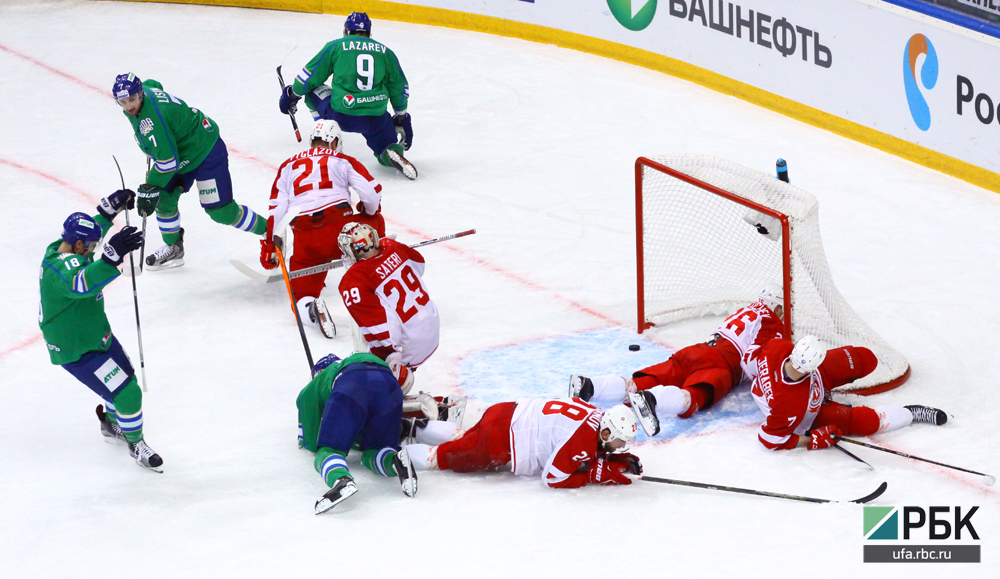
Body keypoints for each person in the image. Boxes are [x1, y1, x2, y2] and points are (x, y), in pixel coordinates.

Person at [39, 192, 163, 471]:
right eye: (92, 246)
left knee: (124, 380)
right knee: (128, 393)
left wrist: (107, 213)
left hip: (96, 335)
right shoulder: (60, 269)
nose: (94, 250)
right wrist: (111, 257)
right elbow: (81, 283)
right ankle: (136, 443)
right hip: (76, 348)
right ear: (78, 244)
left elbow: (87, 237)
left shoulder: (63, 247)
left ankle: (111, 423)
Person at [571, 284, 785, 436]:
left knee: (639, 383)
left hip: (695, 351)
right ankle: (652, 400)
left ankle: (590, 386)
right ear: (776, 307)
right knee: (693, 398)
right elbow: (751, 361)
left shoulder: (745, 309)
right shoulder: (772, 321)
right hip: (719, 364)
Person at [112, 72, 267, 270]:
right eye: (122, 102)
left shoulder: (152, 122)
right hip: (181, 152)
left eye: (132, 99)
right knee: (164, 198)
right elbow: (155, 83)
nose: (128, 107)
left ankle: (268, 229)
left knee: (220, 211)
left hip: (205, 149)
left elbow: (168, 163)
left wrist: (149, 186)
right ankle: (174, 247)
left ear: (140, 93)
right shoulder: (146, 92)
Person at [260, 119, 386, 339]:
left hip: (305, 236)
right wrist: (368, 211)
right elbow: (371, 193)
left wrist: (272, 244)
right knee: (374, 219)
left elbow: (276, 208)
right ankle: (378, 271)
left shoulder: (288, 165)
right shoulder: (342, 159)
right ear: (335, 142)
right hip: (341, 229)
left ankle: (310, 308)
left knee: (301, 295)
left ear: (312, 142)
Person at [279, 12, 417, 180]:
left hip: (341, 115)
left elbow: (309, 77)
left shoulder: (336, 46)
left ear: (346, 30)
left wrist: (292, 94)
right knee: (385, 143)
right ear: (369, 32)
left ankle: (326, 136)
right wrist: (401, 116)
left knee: (311, 91)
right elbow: (399, 87)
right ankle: (391, 152)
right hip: (375, 118)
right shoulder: (386, 52)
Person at [749, 335, 947, 451]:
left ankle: (827, 383)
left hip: (806, 381)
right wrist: (812, 440)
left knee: (863, 358)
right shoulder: (789, 406)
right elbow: (768, 440)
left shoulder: (778, 348)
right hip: (809, 413)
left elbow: (754, 355)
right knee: (864, 421)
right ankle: (911, 413)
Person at [404, 398, 643, 489]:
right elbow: (553, 478)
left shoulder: (597, 415)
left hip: (506, 411)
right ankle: (394, 453)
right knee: (443, 457)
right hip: (502, 440)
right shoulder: (582, 440)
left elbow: (579, 442)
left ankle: (412, 427)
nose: (623, 446)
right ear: (606, 432)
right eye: (620, 441)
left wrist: (608, 460)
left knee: (464, 439)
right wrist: (592, 475)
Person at [297, 353, 418, 514]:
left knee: (328, 451)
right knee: (375, 451)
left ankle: (341, 480)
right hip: (389, 384)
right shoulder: (352, 361)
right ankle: (395, 461)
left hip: (351, 383)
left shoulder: (323, 377)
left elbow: (305, 401)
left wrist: (311, 442)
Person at [337, 222, 439, 393]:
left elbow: (387, 337)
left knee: (365, 377)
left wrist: (382, 362)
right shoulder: (392, 246)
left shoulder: (353, 281)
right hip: (431, 324)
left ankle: (389, 397)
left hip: (409, 344)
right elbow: (419, 266)